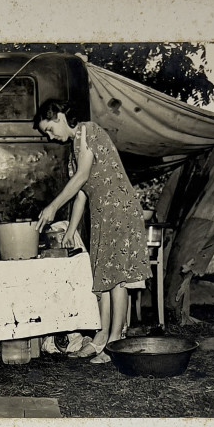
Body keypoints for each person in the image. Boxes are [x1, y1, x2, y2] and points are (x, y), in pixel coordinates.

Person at [34, 99, 150, 363]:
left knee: (116, 275)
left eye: (50, 128)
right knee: (102, 273)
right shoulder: (74, 151)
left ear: (61, 116)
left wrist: (52, 206)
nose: (51, 136)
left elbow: (83, 176)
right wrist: (70, 231)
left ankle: (115, 341)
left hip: (120, 209)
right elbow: (82, 196)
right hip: (102, 214)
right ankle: (101, 338)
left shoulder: (88, 131)